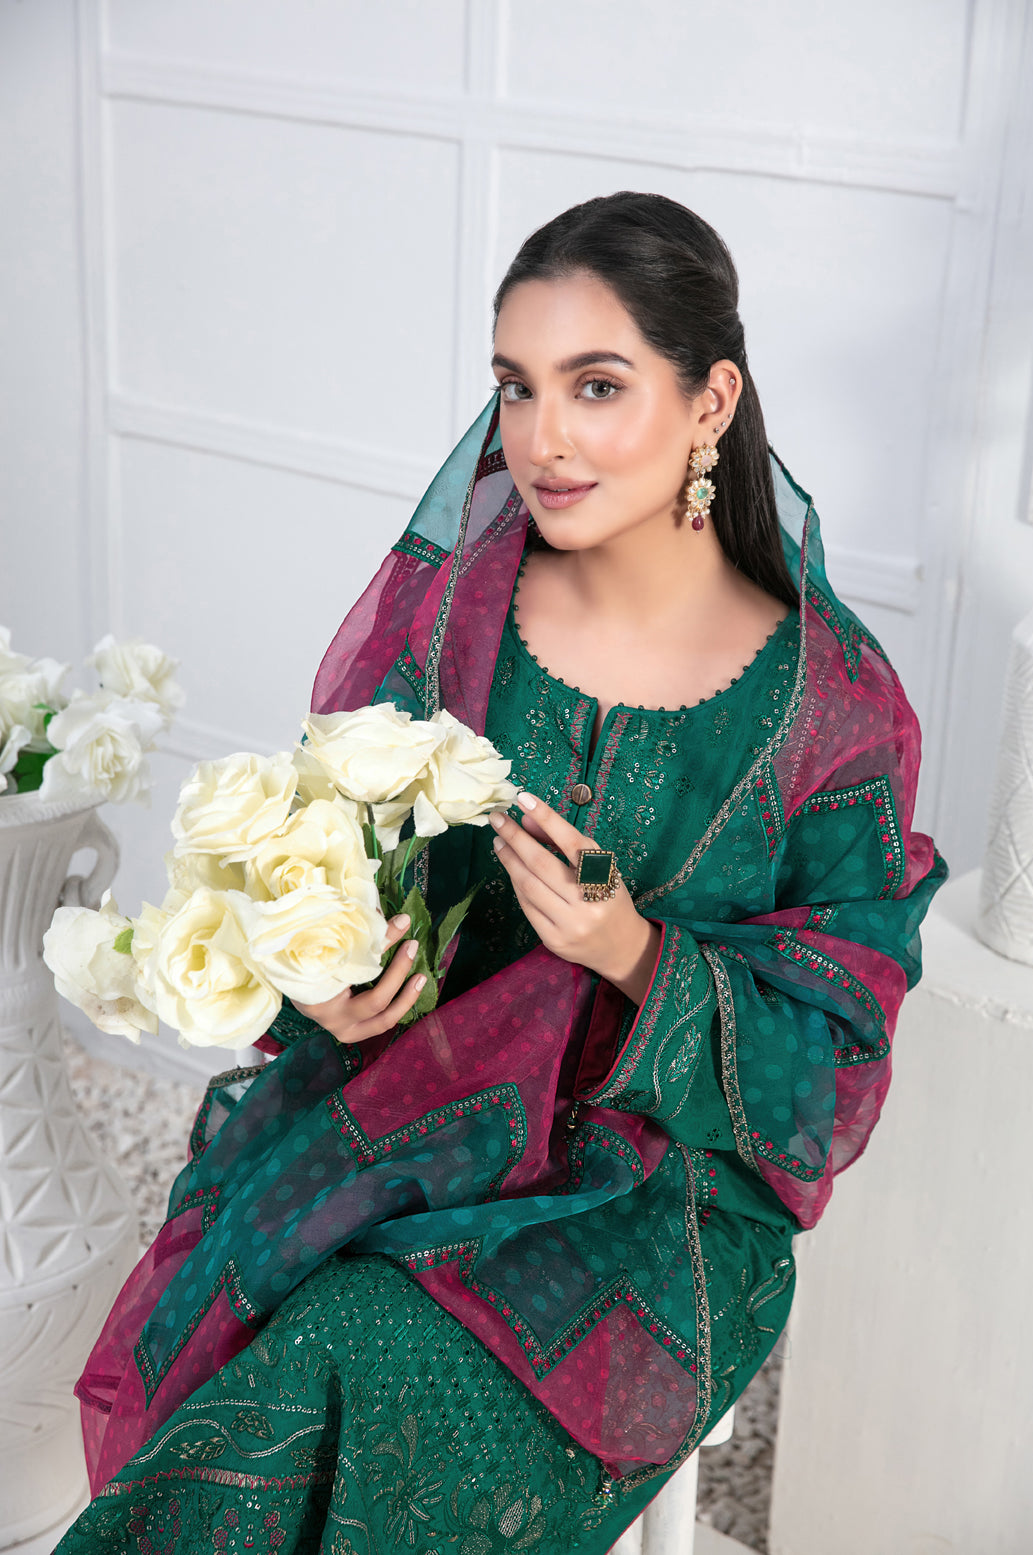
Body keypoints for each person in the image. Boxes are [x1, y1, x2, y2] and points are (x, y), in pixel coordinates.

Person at [58, 192, 946, 1554]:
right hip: (399, 1111)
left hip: (651, 1196)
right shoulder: (455, 615)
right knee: (254, 1335)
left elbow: (831, 1077)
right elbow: (341, 870)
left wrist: (630, 951)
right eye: (517, 386)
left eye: (597, 386)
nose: (542, 439)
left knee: (350, 1350)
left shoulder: (828, 707)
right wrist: (329, 984)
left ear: (710, 401)